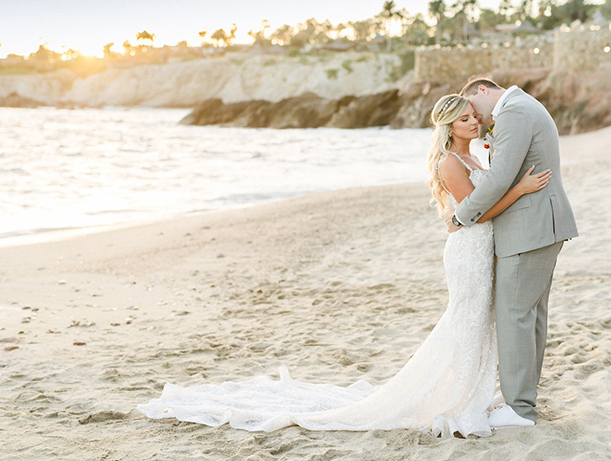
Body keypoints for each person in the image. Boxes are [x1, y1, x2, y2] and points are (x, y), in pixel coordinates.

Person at [137, 95, 550, 438]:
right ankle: (453, 397)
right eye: (464, 119)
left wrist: (497, 162)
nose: (474, 122)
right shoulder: (449, 163)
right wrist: (521, 190)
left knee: (480, 323)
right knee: (466, 320)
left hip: (480, 250)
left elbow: (476, 200)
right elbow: (475, 213)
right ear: (449, 126)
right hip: (468, 253)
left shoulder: (474, 156)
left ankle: (470, 393)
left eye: (473, 116)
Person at [447, 78, 578, 428]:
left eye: (474, 108)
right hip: (538, 225)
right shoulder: (523, 107)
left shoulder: (515, 112)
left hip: (529, 228)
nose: (477, 118)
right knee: (530, 315)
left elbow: (502, 176)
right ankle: (521, 398)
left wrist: (462, 215)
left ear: (483, 91)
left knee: (514, 315)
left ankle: (520, 408)